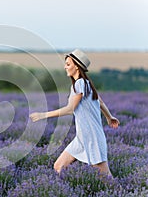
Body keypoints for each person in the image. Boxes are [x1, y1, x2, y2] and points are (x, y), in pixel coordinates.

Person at [29, 49, 120, 177]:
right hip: (81, 138)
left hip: (91, 138)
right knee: (58, 166)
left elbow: (70, 108)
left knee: (106, 178)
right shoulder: (87, 84)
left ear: (77, 66)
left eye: (68, 64)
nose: (65, 67)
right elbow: (100, 101)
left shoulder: (80, 84)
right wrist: (109, 117)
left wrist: (43, 115)